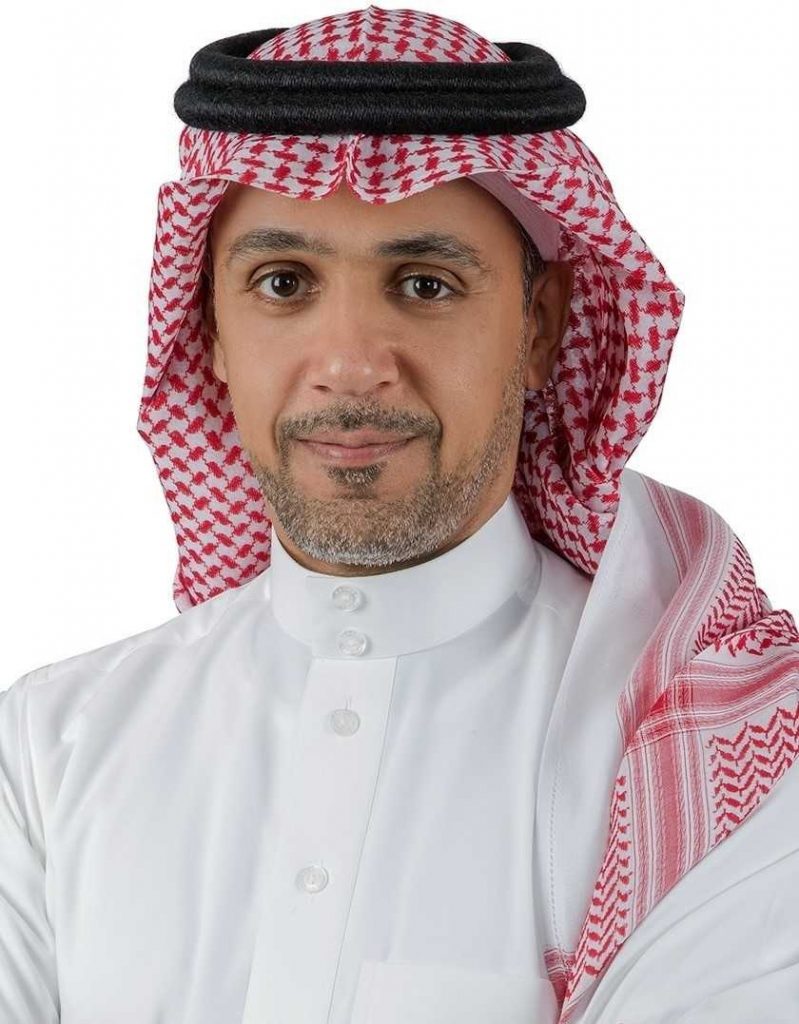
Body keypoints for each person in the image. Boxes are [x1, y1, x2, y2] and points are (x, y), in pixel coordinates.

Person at [1, 6, 797, 1023]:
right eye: (282, 283)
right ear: (210, 331)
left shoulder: (725, 762)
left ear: (540, 328)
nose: (348, 364)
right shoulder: (49, 749)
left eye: (424, 285)